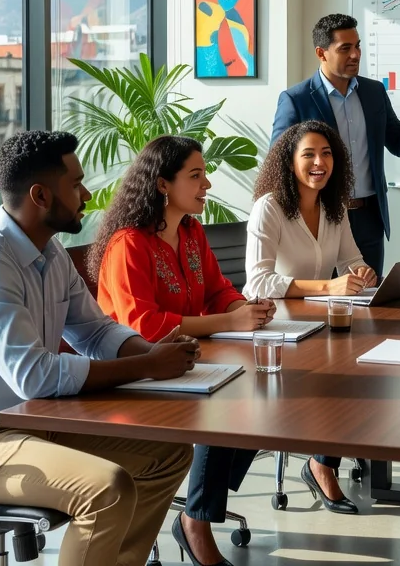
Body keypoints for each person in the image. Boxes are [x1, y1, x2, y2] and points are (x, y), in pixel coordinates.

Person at [0, 131, 198, 566]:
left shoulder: (51, 253)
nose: (86, 193)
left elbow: (96, 333)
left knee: (169, 453)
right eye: (76, 184)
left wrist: (150, 353)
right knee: (107, 488)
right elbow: (35, 375)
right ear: (40, 195)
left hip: (30, 424)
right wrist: (148, 367)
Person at [89, 135, 276, 566]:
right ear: (162, 185)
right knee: (228, 406)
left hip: (187, 363)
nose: (206, 183)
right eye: (195, 176)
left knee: (262, 397)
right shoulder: (128, 244)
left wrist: (246, 308)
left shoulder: (190, 232)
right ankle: (196, 522)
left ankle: (198, 508)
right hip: (134, 375)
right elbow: (145, 328)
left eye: (204, 174)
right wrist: (230, 323)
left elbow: (217, 290)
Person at [245, 120, 377, 516]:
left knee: (366, 368)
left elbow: (350, 259)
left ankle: (324, 459)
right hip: (277, 330)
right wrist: (328, 288)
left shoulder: (333, 206)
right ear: (289, 162)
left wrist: (362, 272)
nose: (320, 162)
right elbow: (257, 283)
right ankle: (321, 463)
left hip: (321, 324)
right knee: (340, 377)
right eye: (309, 155)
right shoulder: (268, 208)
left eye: (327, 154)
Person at [272, 13, 400, 276]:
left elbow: (399, 144)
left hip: (369, 216)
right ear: (321, 53)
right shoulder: (296, 99)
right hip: (321, 215)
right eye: (345, 48)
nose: (355, 54)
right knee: (326, 299)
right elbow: (279, 160)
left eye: (357, 45)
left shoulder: (374, 92)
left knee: (369, 300)